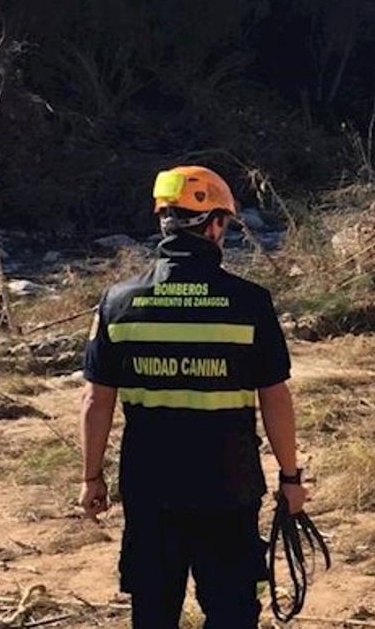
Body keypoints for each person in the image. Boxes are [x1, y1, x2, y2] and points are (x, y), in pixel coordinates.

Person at [77, 165, 306, 628]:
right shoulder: (249, 302)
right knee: (231, 611)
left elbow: (95, 401)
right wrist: (290, 477)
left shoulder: (119, 302)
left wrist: (91, 478)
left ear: (163, 219)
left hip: (149, 487)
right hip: (229, 487)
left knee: (154, 613)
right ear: (215, 224)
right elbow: (274, 398)